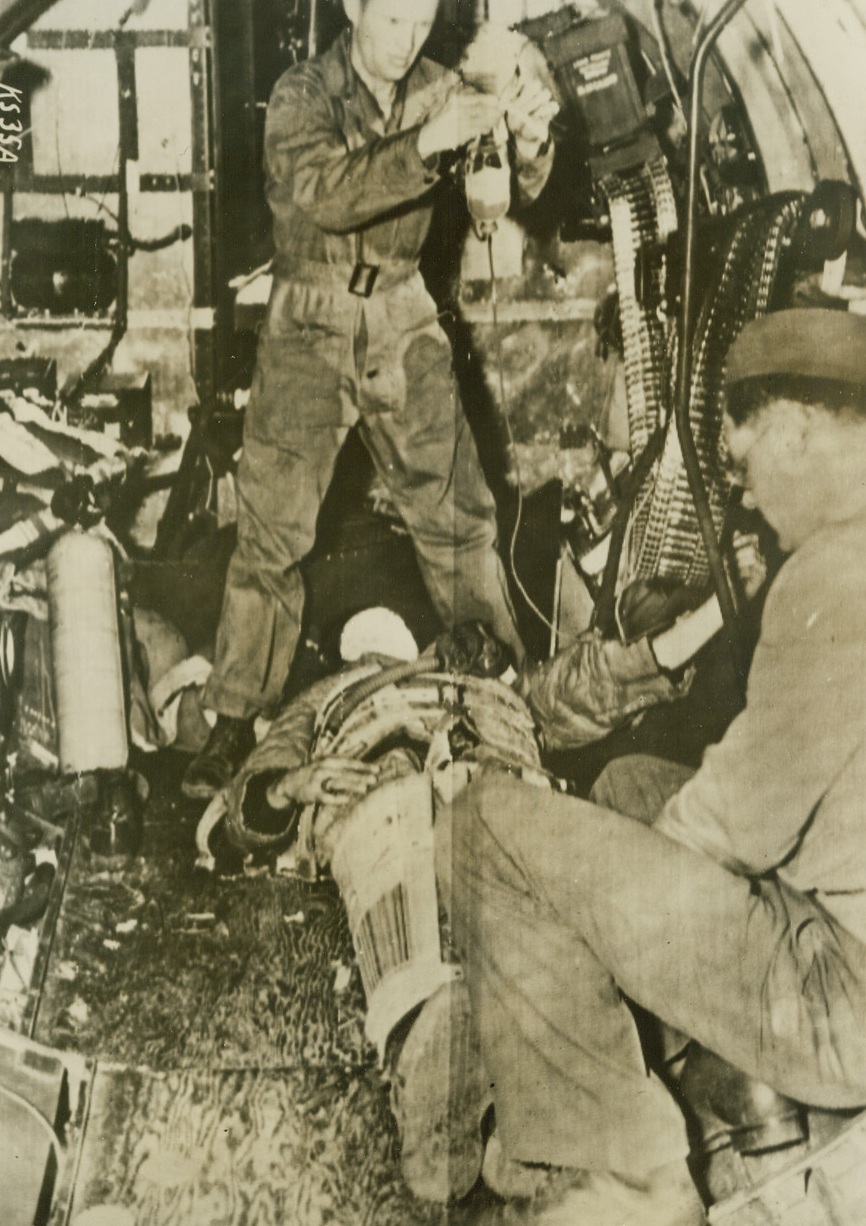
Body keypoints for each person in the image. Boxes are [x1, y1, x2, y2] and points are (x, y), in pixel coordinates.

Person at [433, 308, 866, 1224]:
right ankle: (676, 1095)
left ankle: (630, 1180)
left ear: (796, 429)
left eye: (744, 466)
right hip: (843, 927)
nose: (744, 497)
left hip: (841, 1002)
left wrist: (595, 909)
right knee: (627, 787)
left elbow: (730, 828)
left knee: (488, 828)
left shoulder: (836, 573)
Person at [182, 0, 558, 799]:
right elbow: (324, 194)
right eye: (391, 18)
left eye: (422, 20)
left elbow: (516, 189)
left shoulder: (443, 86)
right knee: (271, 531)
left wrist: (531, 139)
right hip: (309, 314)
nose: (408, 38)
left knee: (462, 520)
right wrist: (431, 139)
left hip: (401, 309)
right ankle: (233, 720)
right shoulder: (301, 95)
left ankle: (506, 703)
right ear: (352, 7)